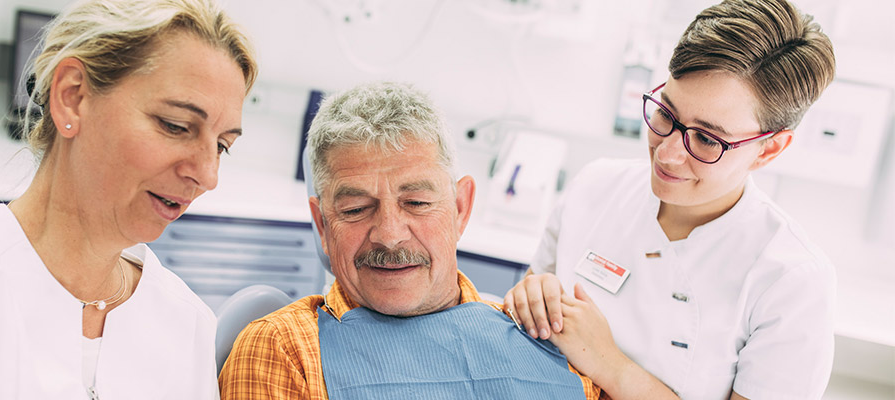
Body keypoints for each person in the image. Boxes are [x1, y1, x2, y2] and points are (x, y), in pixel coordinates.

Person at [0, 0, 256, 398]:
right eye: (176, 126)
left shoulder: (188, 325)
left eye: (222, 146)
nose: (207, 176)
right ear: (73, 97)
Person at [503, 0, 836, 399]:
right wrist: (529, 300)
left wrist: (608, 363)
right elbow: (523, 336)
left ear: (769, 150)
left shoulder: (790, 280)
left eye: (707, 139)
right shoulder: (596, 187)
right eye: (666, 113)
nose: (667, 153)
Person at [218, 82, 600, 399]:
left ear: (461, 208)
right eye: (354, 209)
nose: (389, 235)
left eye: (416, 203)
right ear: (322, 223)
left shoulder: (552, 341)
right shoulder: (284, 351)